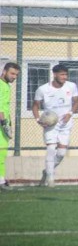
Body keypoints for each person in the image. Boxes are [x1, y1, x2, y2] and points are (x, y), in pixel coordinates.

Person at [32, 64, 78, 187]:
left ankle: (47, 171)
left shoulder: (71, 86)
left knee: (61, 153)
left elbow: (76, 102)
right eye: (62, 74)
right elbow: (35, 105)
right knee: (51, 149)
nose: (65, 77)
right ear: (54, 74)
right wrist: (38, 119)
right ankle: (50, 179)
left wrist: (70, 113)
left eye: (66, 74)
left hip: (65, 123)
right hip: (50, 124)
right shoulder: (43, 89)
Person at [0, 62, 20, 191]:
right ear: (4, 71)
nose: (14, 77)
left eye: (16, 75)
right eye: (12, 73)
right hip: (1, 124)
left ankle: (1, 180)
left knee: (2, 153)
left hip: (3, 124)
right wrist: (4, 123)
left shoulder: (6, 85)